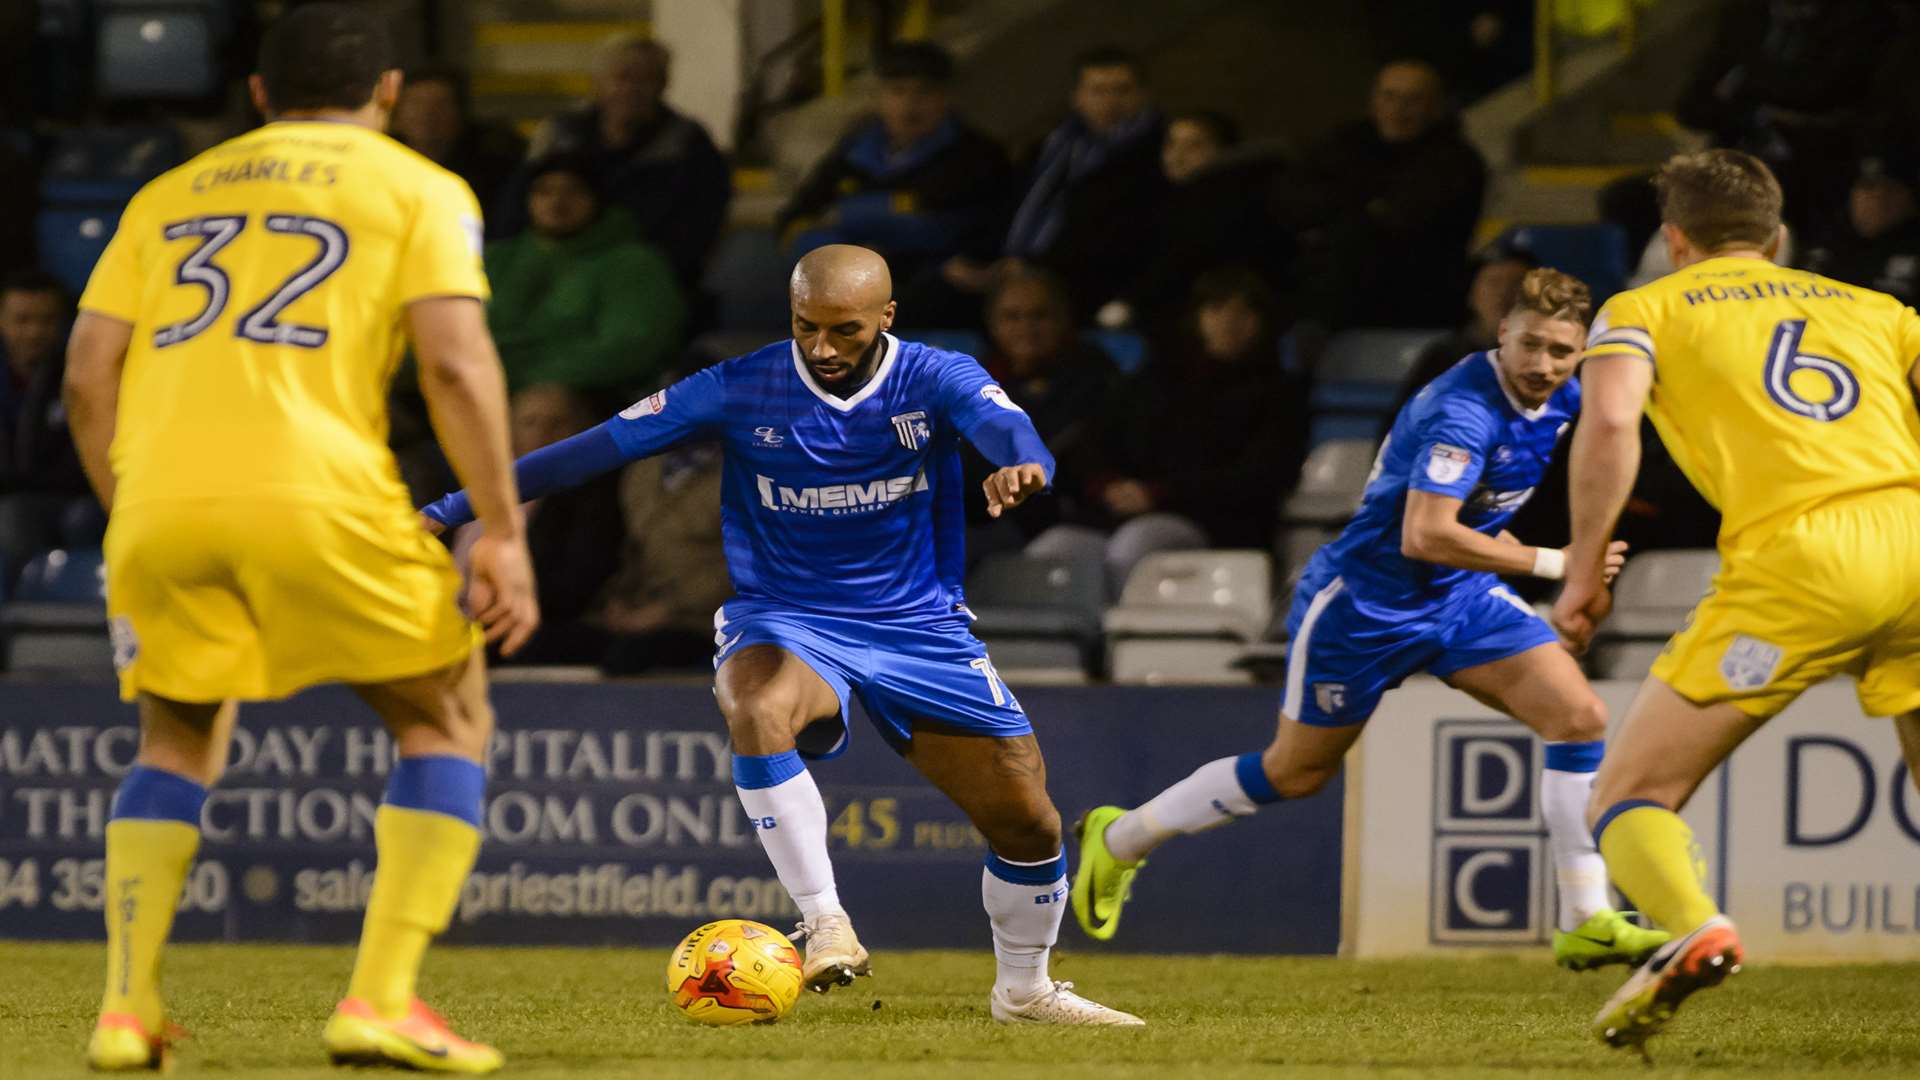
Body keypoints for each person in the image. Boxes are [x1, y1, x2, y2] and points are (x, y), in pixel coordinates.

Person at [421, 244, 1142, 1027]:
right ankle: (825, 919)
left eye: (846, 331)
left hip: (917, 626)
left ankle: (1026, 993)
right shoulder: (740, 385)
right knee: (758, 704)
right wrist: (448, 510)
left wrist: (1022, 464)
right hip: (787, 616)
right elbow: (592, 451)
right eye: (808, 329)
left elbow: (1006, 424)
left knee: (1029, 822)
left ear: (887, 319)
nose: (825, 349)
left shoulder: (937, 374)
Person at [62, 5, 536, 1072]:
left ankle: (127, 1011)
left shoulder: (167, 192)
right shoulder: (419, 186)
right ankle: (379, 999)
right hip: (319, 492)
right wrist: (501, 530)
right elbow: (457, 367)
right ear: (389, 93)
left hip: (156, 504)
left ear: (262, 95)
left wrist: (131, 508)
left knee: (177, 736)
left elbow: (89, 378)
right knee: (446, 715)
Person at [1071, 270, 1666, 976]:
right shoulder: (1462, 410)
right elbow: (1424, 534)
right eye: (1530, 345)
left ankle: (1587, 918)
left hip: (1461, 595)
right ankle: (1122, 839)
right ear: (1501, 334)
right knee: (1294, 774)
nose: (1543, 365)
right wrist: (1554, 564)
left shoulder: (1569, 393)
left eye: (1561, 352)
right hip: (1364, 605)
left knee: (1579, 717)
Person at [1556, 149, 1920, 1053]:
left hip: (1805, 558)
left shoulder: (1642, 309)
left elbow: (1607, 423)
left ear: (1675, 241)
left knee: (1629, 791)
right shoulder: (1881, 309)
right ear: (1779, 235)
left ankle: (1690, 929)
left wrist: (1583, 570)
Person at [1034, 268, 1308, 593]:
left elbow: (1256, 476)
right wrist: (1106, 486)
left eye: (1245, 312)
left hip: (1213, 522)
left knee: (1135, 546)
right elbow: (1094, 444)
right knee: (1053, 549)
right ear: (1197, 317)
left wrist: (1159, 493)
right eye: (1217, 309)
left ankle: (1118, 640)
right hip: (1118, 514)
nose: (1230, 322)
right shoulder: (1153, 381)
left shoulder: (1280, 395)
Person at [907, 47, 1164, 324]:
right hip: (1011, 267)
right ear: (1077, 98)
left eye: (1122, 90)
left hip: (1083, 278)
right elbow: (1009, 208)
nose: (1110, 102)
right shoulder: (1051, 145)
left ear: (1142, 95)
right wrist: (972, 260)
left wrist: (1030, 267)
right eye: (1098, 91)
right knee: (920, 299)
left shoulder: (1157, 154)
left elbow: (1123, 232)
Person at [1274, 59, 1487, 328]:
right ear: (1374, 100)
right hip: (1326, 283)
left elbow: (1403, 219)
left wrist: (1336, 212)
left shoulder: (1455, 162)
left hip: (1413, 290)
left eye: (1413, 100)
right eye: (1389, 96)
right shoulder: (1343, 142)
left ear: (1435, 107)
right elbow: (1290, 199)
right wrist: (1363, 204)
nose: (1397, 109)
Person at [778, 42, 1012, 285]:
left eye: (924, 92)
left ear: (946, 96)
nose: (910, 104)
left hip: (933, 290)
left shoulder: (977, 157)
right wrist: (845, 254)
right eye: (897, 91)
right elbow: (795, 218)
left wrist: (847, 216)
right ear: (880, 97)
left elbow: (953, 232)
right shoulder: (855, 150)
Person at [520, 35, 731, 287]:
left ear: (663, 85)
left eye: (645, 80)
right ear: (598, 84)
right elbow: (518, 204)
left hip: (644, 277)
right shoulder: (560, 135)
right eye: (622, 78)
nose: (631, 90)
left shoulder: (687, 143)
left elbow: (695, 230)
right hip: (552, 270)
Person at [449, 385, 623, 666]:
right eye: (531, 422)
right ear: (509, 430)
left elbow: (574, 587)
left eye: (558, 423)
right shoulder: (477, 491)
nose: (544, 433)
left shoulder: (592, 498)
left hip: (533, 627)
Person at [486, 151, 685, 394]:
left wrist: (531, 378)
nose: (557, 201)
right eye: (544, 191)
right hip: (484, 383)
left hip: (589, 394)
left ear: (598, 199)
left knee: (543, 414)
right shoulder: (497, 258)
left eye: (573, 191)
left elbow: (628, 348)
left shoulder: (633, 264)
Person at [1098, 110, 1289, 334]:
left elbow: (1180, 260)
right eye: (1171, 144)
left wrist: (1128, 303)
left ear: (1224, 152)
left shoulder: (1226, 201)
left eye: (1194, 146)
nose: (1177, 155)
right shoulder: (1160, 196)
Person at [966, 269, 1112, 548]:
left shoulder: (1096, 376)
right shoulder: (975, 379)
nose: (1026, 328)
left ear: (1064, 320)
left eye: (1039, 316)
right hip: (980, 513)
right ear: (993, 325)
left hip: (1059, 520)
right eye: (1012, 317)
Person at [0, 270, 100, 580]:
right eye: (22, 320)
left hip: (71, 498)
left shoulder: (83, 376)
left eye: (45, 321)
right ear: (2, 321)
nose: (33, 332)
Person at [1393, 244, 1538, 411]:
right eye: (1494, 282)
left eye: (1516, 283)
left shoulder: (1557, 358)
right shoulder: (1444, 357)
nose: (1503, 293)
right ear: (1472, 295)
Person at [390, 65, 527, 231]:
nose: (426, 113)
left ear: (460, 112)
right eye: (416, 103)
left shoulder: (493, 164)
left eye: (440, 105)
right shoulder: (379, 161)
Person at [1796, 148, 1920, 305]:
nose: (1874, 201)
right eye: (1865, 188)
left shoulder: (1912, 251)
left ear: (1909, 200)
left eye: (1890, 191)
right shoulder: (1825, 246)